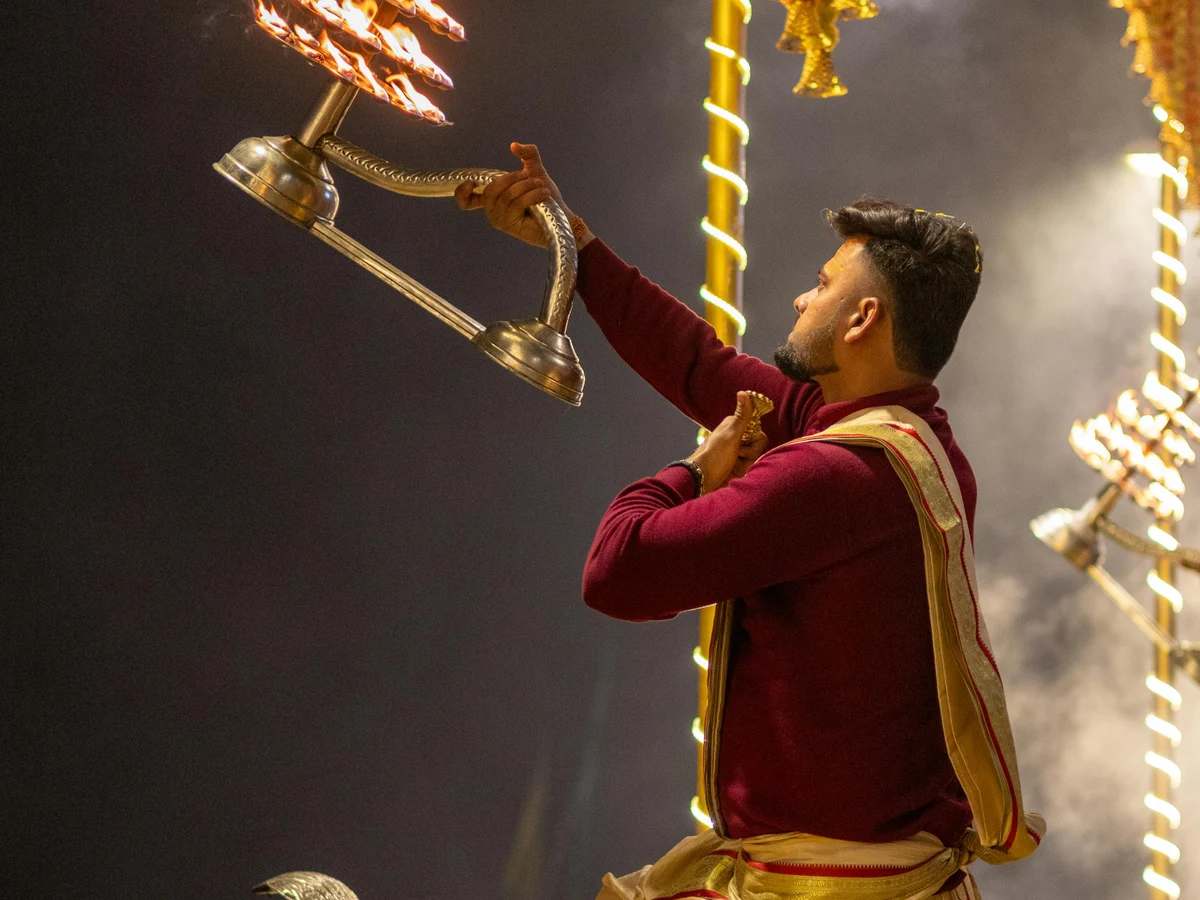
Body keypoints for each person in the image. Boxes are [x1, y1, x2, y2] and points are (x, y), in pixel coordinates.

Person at [455, 144, 1043, 900]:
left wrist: (696, 472)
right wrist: (577, 244)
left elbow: (618, 573)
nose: (803, 298)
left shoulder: (833, 476)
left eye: (823, 285)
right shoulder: (912, 438)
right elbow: (700, 365)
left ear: (863, 318)